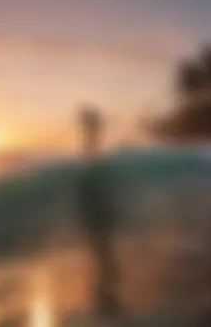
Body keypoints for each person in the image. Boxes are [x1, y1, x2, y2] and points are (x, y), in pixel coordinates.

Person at [77, 105, 122, 318]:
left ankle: (105, 288)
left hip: (98, 210)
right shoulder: (91, 156)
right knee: (102, 249)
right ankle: (106, 287)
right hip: (96, 210)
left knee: (102, 249)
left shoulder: (92, 155)